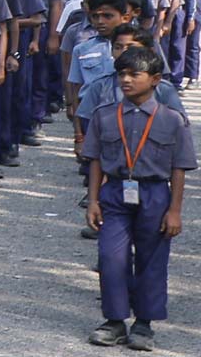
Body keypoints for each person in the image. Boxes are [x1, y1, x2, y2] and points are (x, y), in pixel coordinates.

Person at [83, 47, 195, 351]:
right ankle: (115, 320)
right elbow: (94, 160)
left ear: (155, 79)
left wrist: (175, 210)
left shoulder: (172, 120)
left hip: (155, 193)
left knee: (152, 259)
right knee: (111, 257)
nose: (126, 80)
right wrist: (93, 200)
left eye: (135, 74)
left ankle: (144, 324)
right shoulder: (105, 116)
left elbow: (179, 167)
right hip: (116, 192)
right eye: (122, 74)